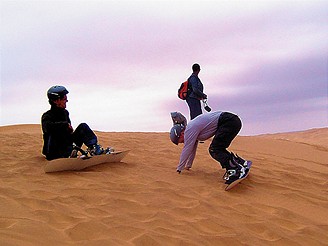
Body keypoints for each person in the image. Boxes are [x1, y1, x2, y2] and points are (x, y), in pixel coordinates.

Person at [169, 111, 251, 185]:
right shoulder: (191, 131)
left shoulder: (189, 130)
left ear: (181, 134)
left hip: (228, 121)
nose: (182, 142)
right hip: (232, 120)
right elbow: (192, 150)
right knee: (218, 148)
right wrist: (188, 165)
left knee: (214, 149)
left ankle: (236, 170)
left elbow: (187, 149)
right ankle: (240, 163)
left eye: (180, 141)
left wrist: (179, 169)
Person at [41, 85, 105, 160]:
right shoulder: (47, 116)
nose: (66, 101)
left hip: (67, 147)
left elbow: (68, 133)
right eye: (64, 99)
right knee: (53, 133)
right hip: (54, 152)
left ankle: (93, 149)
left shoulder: (65, 113)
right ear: (56, 100)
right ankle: (65, 154)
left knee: (83, 127)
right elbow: (47, 128)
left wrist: (69, 131)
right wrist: (64, 125)